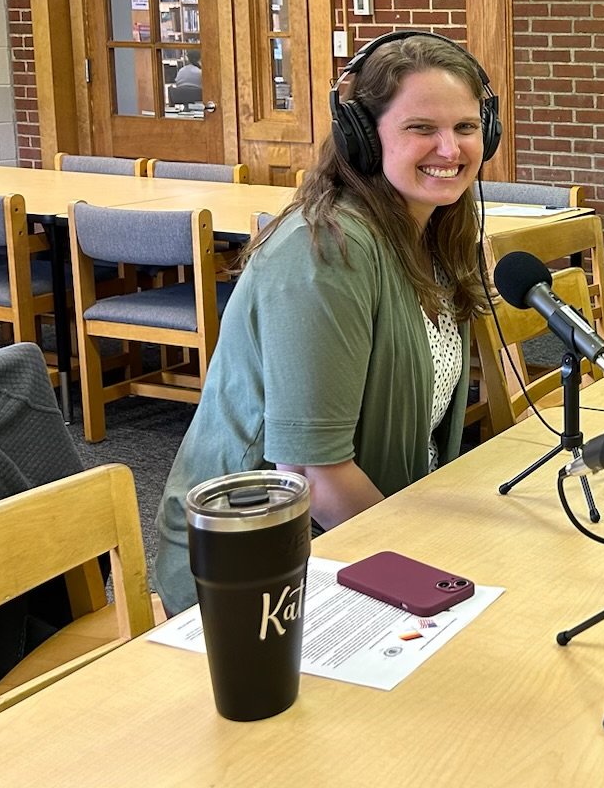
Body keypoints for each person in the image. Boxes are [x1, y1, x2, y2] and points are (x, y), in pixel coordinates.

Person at [154, 31, 492, 615]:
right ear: (363, 138)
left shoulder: (430, 234)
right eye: (421, 128)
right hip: (260, 563)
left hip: (364, 530)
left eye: (465, 127)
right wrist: (430, 567)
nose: (450, 148)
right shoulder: (326, 253)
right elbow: (312, 471)